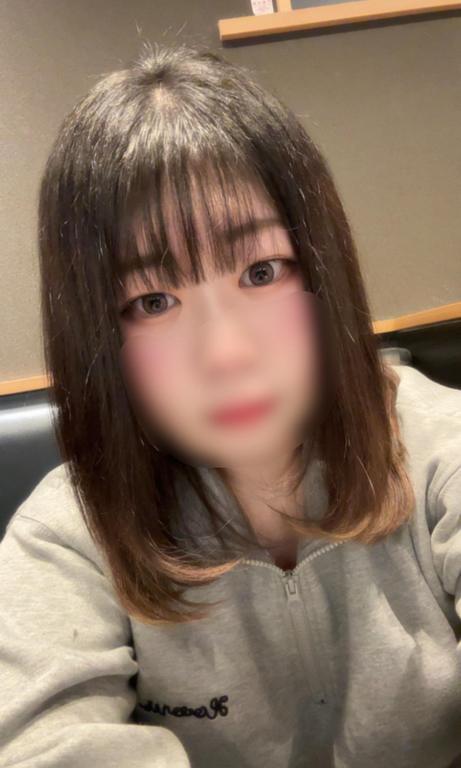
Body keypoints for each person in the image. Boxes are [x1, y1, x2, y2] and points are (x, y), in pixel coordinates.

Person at [0, 40, 460, 768]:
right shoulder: (67, 535)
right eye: (152, 301)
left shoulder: (439, 449)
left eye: (262, 271)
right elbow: (42, 743)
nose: (225, 354)